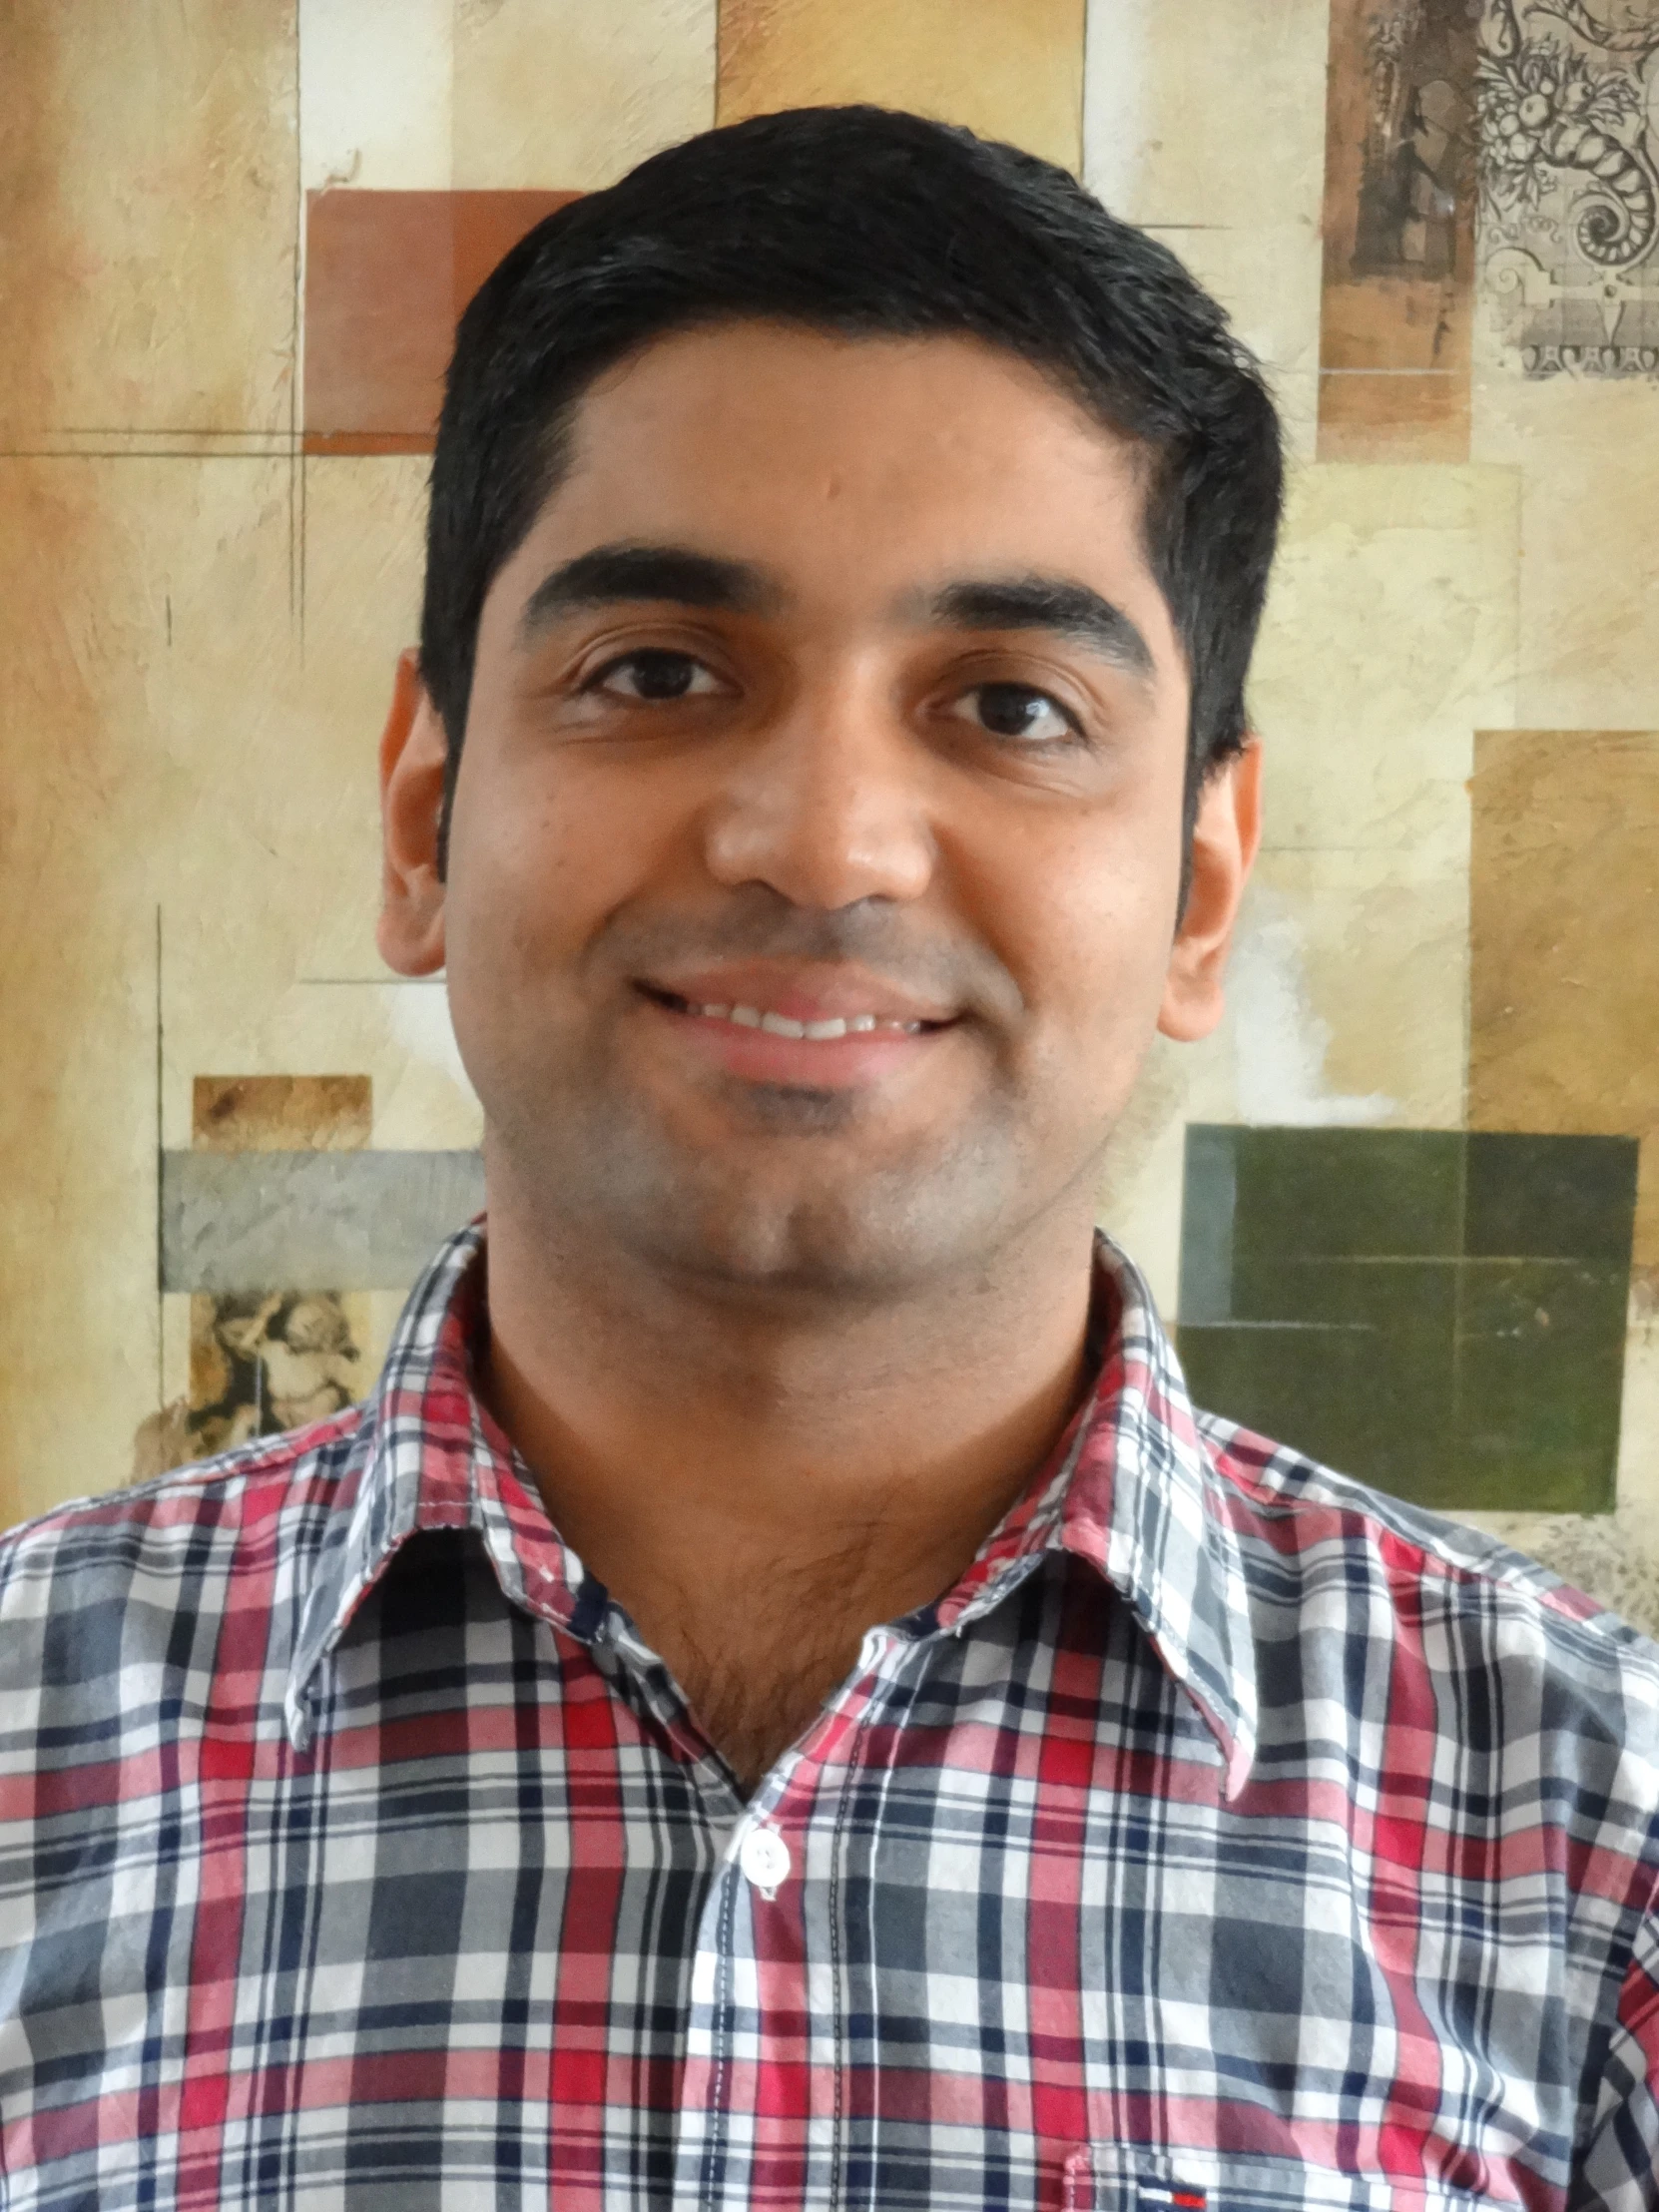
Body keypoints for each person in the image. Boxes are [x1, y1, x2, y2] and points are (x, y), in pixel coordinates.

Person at [2, 106, 1655, 2212]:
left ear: (1201, 887)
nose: (822, 841)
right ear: (425, 814)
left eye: (1010, 705)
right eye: (660, 671)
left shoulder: (1596, 1840)